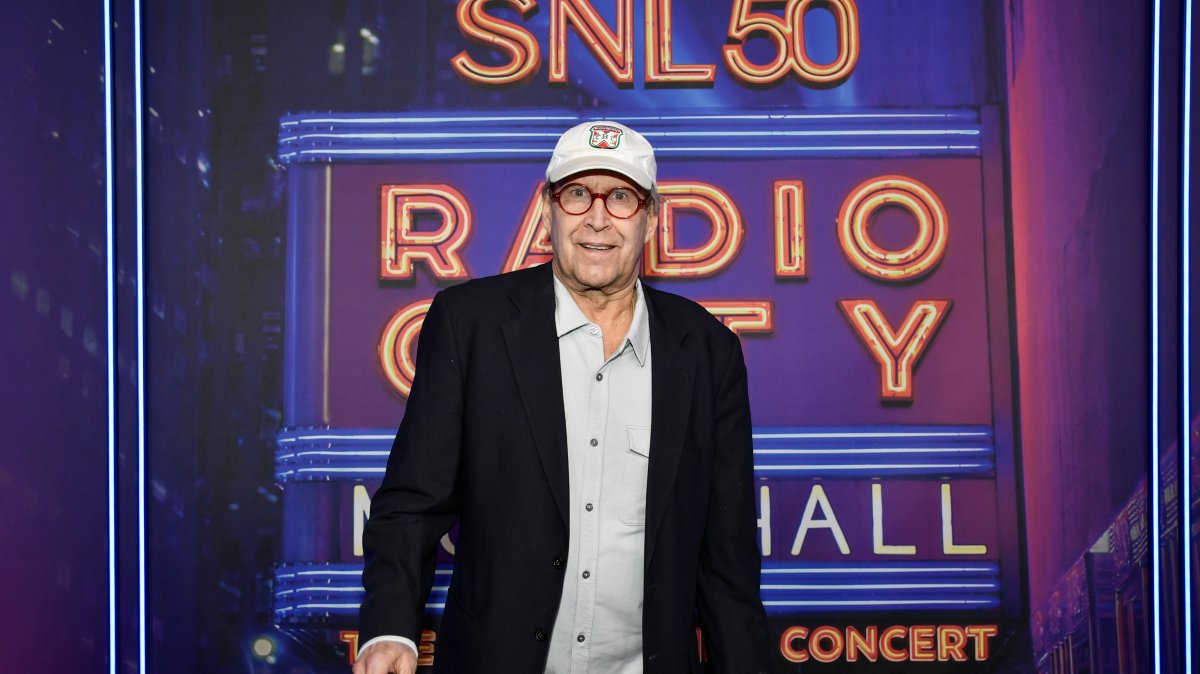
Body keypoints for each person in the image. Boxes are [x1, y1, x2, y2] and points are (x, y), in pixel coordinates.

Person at [352, 120, 770, 674]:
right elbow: (411, 504)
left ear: (652, 218)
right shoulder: (469, 324)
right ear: (548, 210)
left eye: (621, 197)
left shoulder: (708, 351)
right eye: (578, 194)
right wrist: (390, 630)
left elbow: (728, 561)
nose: (598, 218)